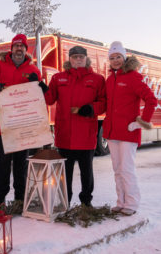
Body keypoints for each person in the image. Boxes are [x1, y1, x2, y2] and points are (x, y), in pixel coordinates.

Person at [0, 34, 42, 211]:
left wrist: (38, 84)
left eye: (22, 46)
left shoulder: (33, 70)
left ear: (26, 49)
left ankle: (20, 198)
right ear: (11, 49)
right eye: (16, 46)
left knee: (21, 165)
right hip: (3, 127)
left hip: (23, 127)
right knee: (1, 165)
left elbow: (39, 98)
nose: (19, 49)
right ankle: (0, 198)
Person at [42, 46, 106, 207]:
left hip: (86, 134)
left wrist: (91, 108)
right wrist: (42, 88)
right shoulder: (58, 78)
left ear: (86, 59)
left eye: (81, 57)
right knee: (65, 173)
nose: (78, 59)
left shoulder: (97, 79)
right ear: (69, 59)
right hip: (65, 135)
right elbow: (49, 99)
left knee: (87, 172)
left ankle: (86, 202)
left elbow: (103, 102)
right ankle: (65, 201)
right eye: (75, 57)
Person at [103, 41, 158, 216]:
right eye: (112, 58)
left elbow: (151, 100)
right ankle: (121, 202)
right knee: (117, 170)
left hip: (128, 132)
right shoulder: (110, 79)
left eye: (118, 57)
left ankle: (132, 203)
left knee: (127, 169)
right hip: (112, 133)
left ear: (124, 57)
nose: (116, 60)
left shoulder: (133, 77)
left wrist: (142, 122)